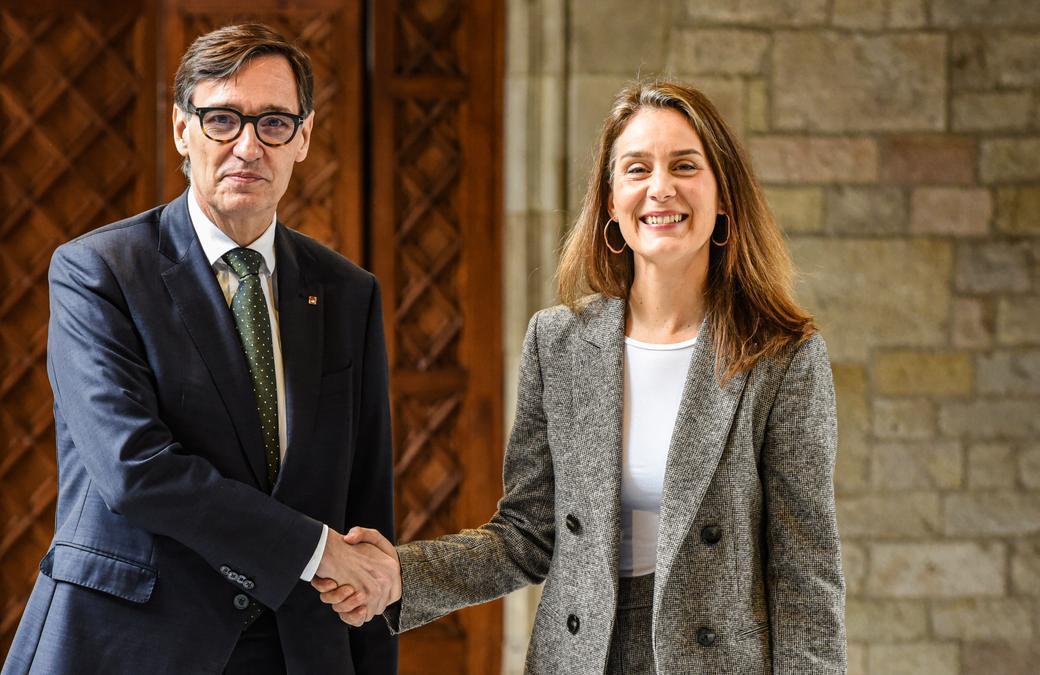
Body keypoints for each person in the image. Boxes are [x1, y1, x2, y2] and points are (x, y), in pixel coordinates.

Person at [315, 80, 846, 674]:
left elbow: (805, 571)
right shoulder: (558, 342)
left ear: (724, 198)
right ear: (612, 204)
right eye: (637, 168)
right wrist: (400, 576)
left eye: (685, 165)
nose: (660, 187)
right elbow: (527, 534)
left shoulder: (781, 356)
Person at [3, 23, 398, 674]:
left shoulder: (348, 292)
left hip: (295, 649)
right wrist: (316, 550)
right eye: (222, 119)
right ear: (182, 130)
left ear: (303, 137)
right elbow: (136, 469)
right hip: (130, 644)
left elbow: (366, 505)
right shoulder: (98, 271)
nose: (248, 145)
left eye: (273, 122)